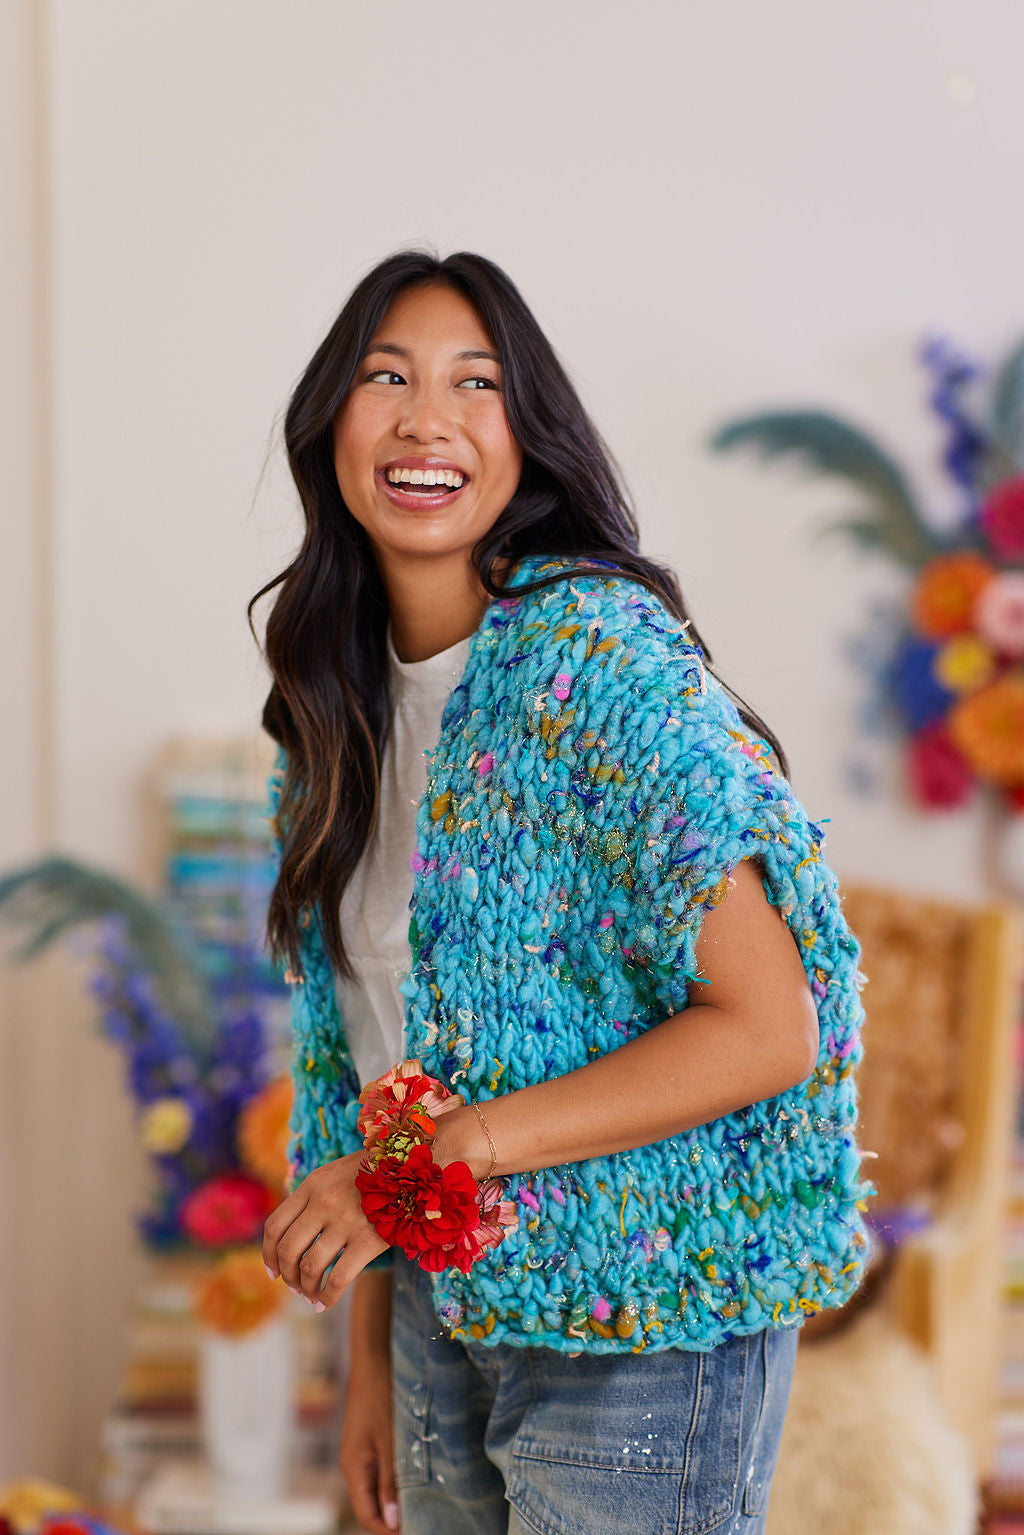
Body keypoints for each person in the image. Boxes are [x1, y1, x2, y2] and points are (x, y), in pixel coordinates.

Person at [255, 251, 871, 1535]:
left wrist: (420, 1167)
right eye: (388, 378)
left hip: (643, 1310)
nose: (428, 417)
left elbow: (768, 1024)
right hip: (438, 1297)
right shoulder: (334, 712)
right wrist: (369, 1359)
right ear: (332, 428)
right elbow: (370, 1061)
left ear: (526, 438)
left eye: (474, 383)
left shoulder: (597, 667)